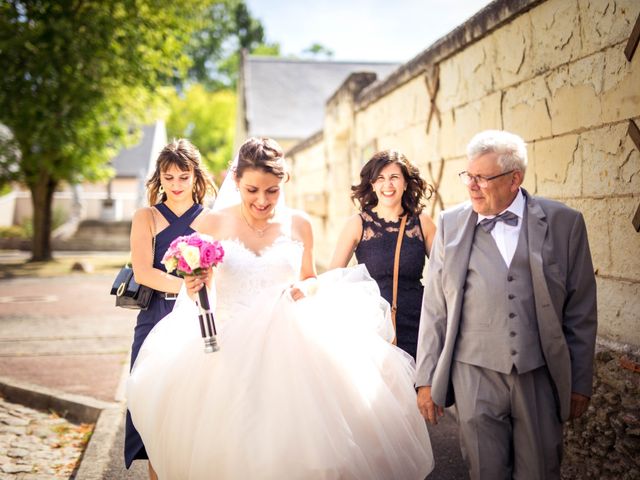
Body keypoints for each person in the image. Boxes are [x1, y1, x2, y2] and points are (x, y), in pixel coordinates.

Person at [126, 137, 434, 479]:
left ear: (283, 183)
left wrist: (304, 288)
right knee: (233, 443)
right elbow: (203, 286)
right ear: (237, 181)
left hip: (290, 344)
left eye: (271, 191)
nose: (262, 200)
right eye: (252, 190)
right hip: (229, 347)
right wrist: (196, 282)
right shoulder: (211, 224)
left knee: (304, 444)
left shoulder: (300, 224)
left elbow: (311, 277)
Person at [415, 130, 597, 479]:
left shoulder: (565, 223)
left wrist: (580, 381)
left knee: (541, 470)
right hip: (473, 372)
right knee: (485, 470)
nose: (471, 186)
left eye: (482, 178)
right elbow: (435, 306)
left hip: (538, 371)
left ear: (515, 179)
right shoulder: (450, 224)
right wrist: (426, 378)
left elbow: (581, 309)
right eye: (468, 175)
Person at [125, 139, 214, 478]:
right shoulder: (145, 217)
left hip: (199, 320)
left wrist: (201, 288)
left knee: (194, 409)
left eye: (183, 176)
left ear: (195, 177)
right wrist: (184, 285)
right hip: (155, 317)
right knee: (153, 410)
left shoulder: (210, 219)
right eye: (168, 177)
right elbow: (144, 271)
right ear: (159, 179)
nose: (176, 185)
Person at [330, 149, 436, 359]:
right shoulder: (358, 224)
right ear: (372, 184)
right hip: (372, 327)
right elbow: (333, 277)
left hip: (417, 324)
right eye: (380, 178)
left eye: (394, 177)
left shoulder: (422, 222)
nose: (387, 185)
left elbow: (447, 272)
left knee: (417, 388)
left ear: (405, 183)